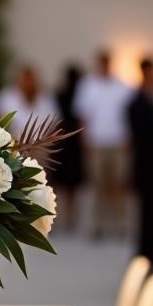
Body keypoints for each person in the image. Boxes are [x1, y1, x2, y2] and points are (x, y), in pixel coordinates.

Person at [74, 50, 131, 238]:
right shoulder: (88, 85)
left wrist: (127, 139)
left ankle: (120, 222)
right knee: (97, 184)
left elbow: (128, 115)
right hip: (97, 142)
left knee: (118, 184)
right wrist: (84, 139)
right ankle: (96, 224)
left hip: (117, 141)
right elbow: (82, 115)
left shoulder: (121, 86)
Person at [127, 56, 153, 266]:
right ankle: (145, 257)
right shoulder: (137, 103)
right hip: (146, 168)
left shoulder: (152, 101)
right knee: (147, 216)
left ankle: (150, 256)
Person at [52, 64, 85, 231]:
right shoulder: (81, 95)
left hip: (62, 141)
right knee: (71, 185)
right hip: (74, 143)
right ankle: (70, 218)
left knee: (61, 183)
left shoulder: (59, 95)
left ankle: (60, 216)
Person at [0, 65, 61, 137]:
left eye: (31, 80)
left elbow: (55, 123)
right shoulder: (6, 96)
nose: (28, 84)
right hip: (11, 144)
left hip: (41, 145)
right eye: (25, 80)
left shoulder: (47, 98)